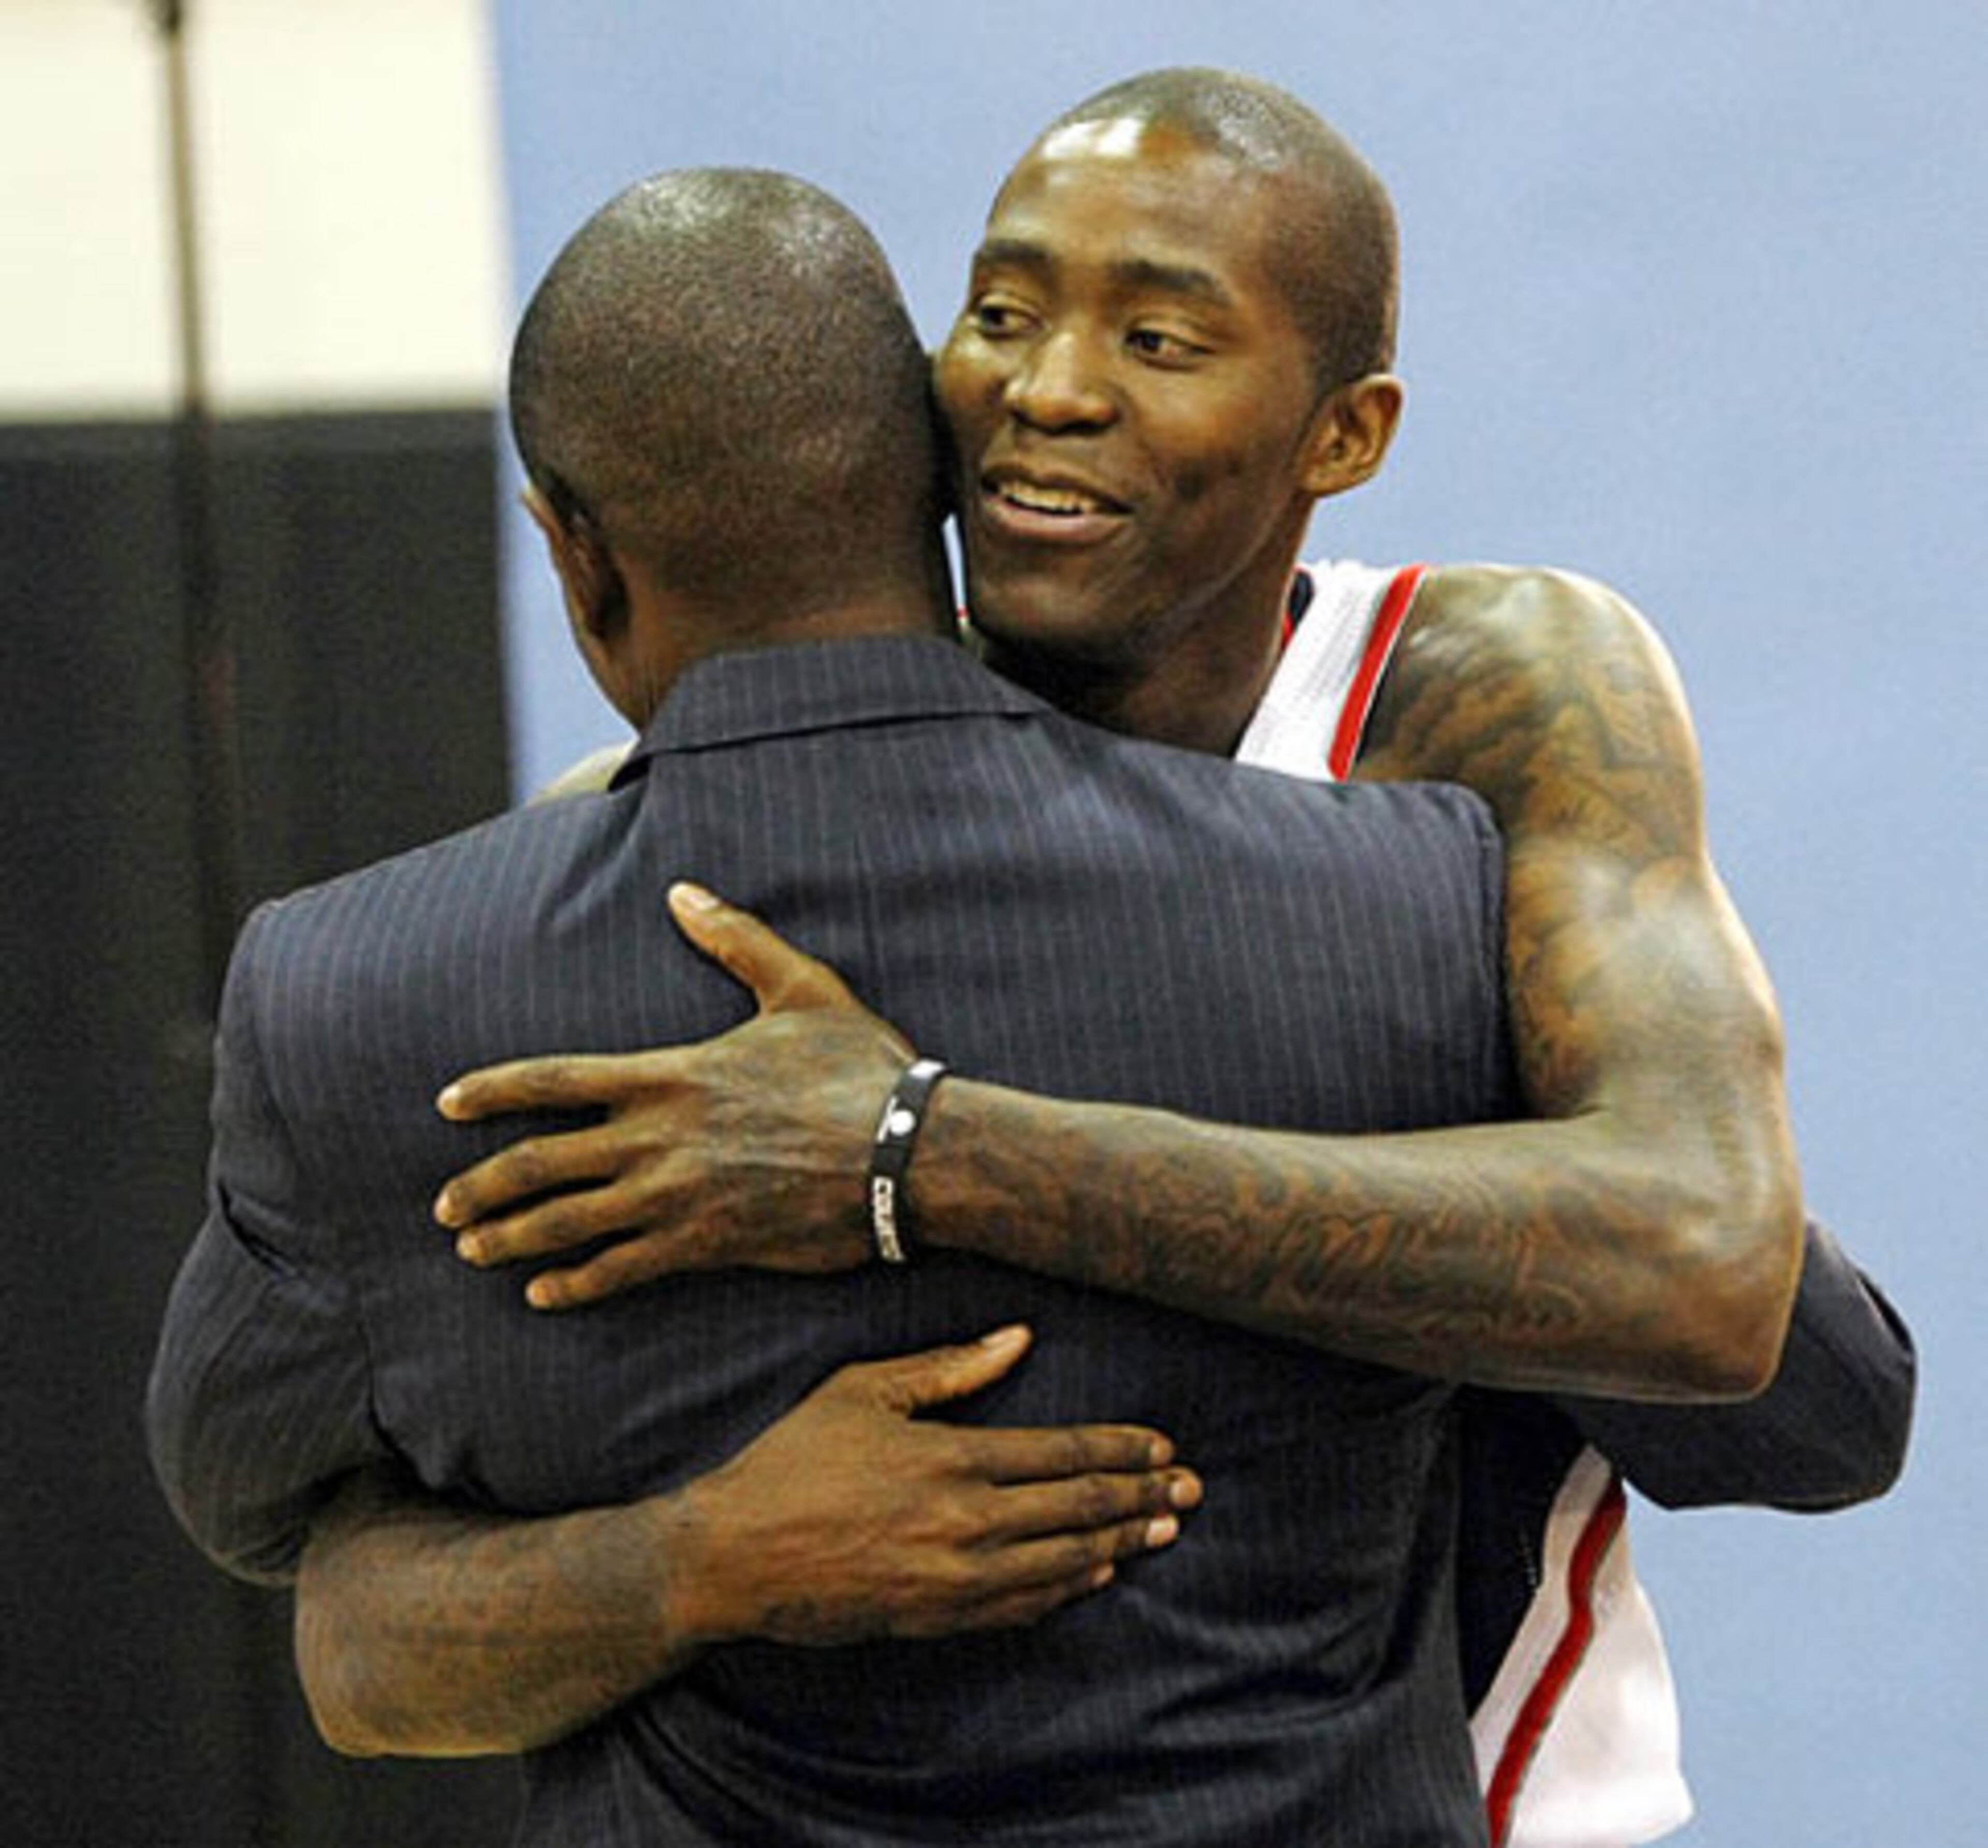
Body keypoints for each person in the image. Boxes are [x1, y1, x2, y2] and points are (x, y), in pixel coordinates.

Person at [291, 70, 1913, 1848]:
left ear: (1344, 432)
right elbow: (359, 1634)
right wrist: (703, 1556)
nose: (1046, 390)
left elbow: (1753, 1335)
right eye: (999, 312)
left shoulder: (1470, 695)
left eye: (1157, 337)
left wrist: (923, 1147)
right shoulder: (696, 842)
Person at [150, 165, 1550, 1845]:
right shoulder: (1396, 899)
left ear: (576, 559)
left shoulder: (366, 992)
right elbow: (1789, 1380)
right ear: (943, 483)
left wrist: (695, 1554)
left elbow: (257, 1507)